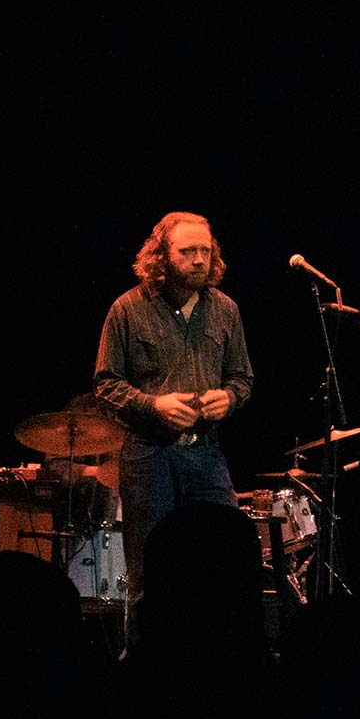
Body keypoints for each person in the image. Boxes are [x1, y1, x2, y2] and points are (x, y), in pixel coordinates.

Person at [89, 211, 255, 605]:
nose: (200, 260)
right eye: (188, 252)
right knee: (150, 574)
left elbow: (243, 379)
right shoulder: (128, 309)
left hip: (206, 454)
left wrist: (229, 397)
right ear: (162, 256)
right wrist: (153, 404)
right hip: (150, 456)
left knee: (222, 560)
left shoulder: (225, 309)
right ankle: (145, 660)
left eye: (206, 251)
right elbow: (105, 384)